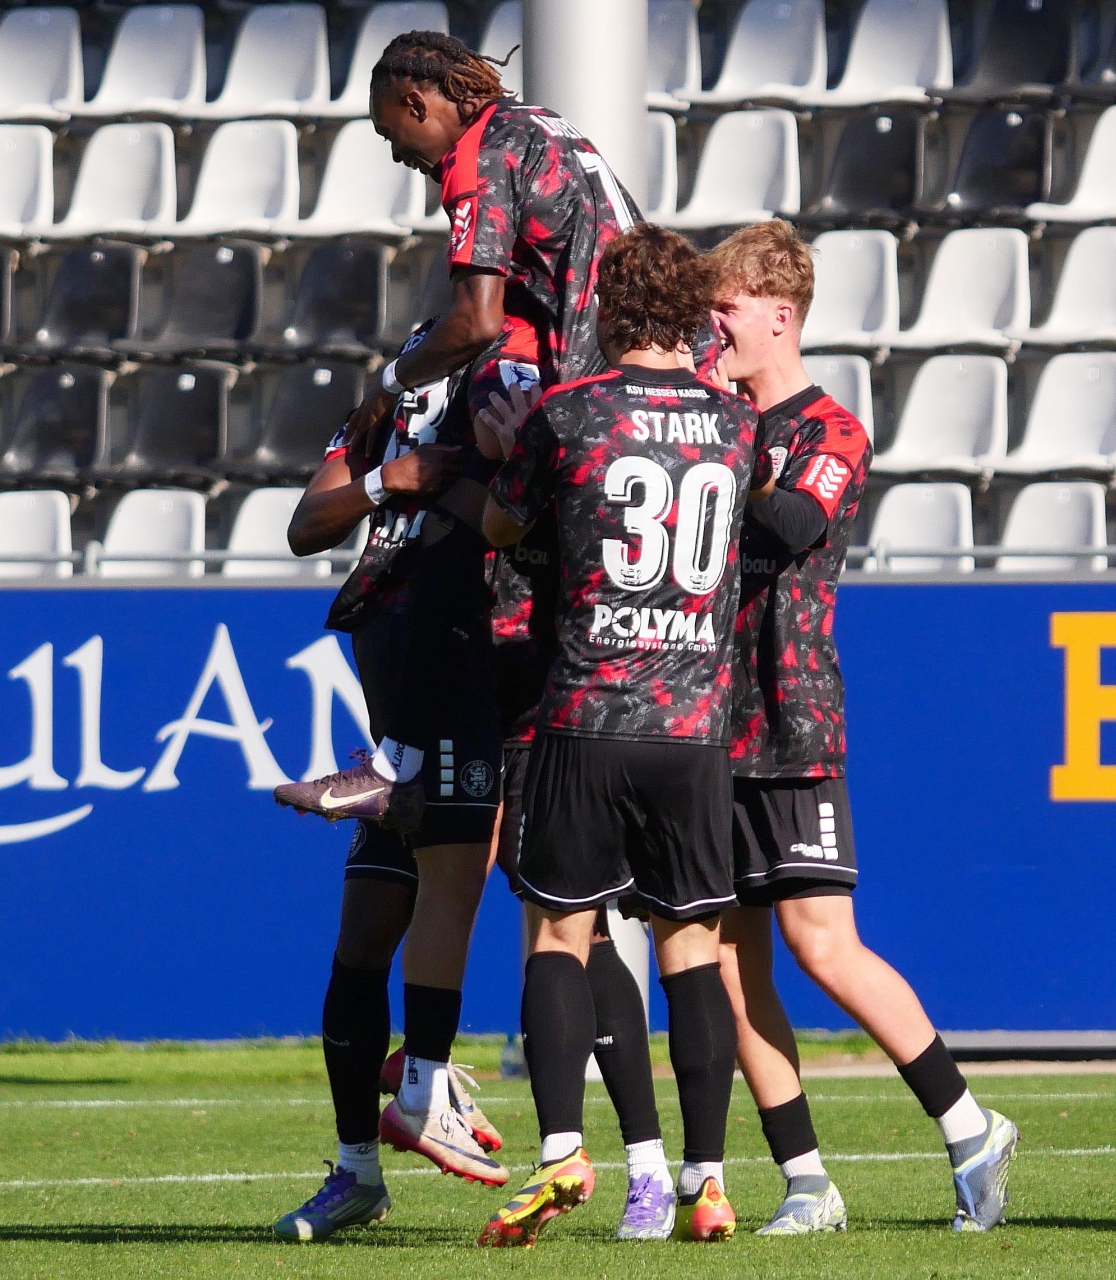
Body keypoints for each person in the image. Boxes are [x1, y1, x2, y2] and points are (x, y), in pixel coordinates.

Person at [702, 221, 1019, 1236]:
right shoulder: (709, 420)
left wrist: (720, 453)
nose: (711, 326)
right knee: (726, 967)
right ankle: (807, 1182)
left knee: (823, 944)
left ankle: (971, 1127)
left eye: (725, 308)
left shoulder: (830, 428)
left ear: (779, 313)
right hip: (703, 723)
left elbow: (794, 524)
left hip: (790, 715)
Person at [477, 223, 759, 1247]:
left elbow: (502, 527)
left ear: (604, 308)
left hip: (585, 712)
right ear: (691, 314)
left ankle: (562, 1151)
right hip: (694, 726)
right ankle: (707, 1180)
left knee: (559, 931)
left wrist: (511, 460)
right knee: (692, 947)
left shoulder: (568, 412)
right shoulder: (738, 424)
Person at [295, 28, 638, 822]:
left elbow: (475, 320)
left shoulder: (478, 152)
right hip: (638, 375)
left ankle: (403, 759)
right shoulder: (547, 125)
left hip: (581, 382)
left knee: (444, 522)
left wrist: (390, 384)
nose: (398, 154)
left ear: (418, 103)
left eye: (392, 132)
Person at [271, 323, 510, 1242]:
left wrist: (454, 477)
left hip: (473, 681)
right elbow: (306, 526)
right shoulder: (384, 413)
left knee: (553, 913)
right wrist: (389, 480)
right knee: (363, 935)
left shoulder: (508, 395)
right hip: (399, 703)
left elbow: (521, 521)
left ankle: (443, 1087)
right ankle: (358, 1169)